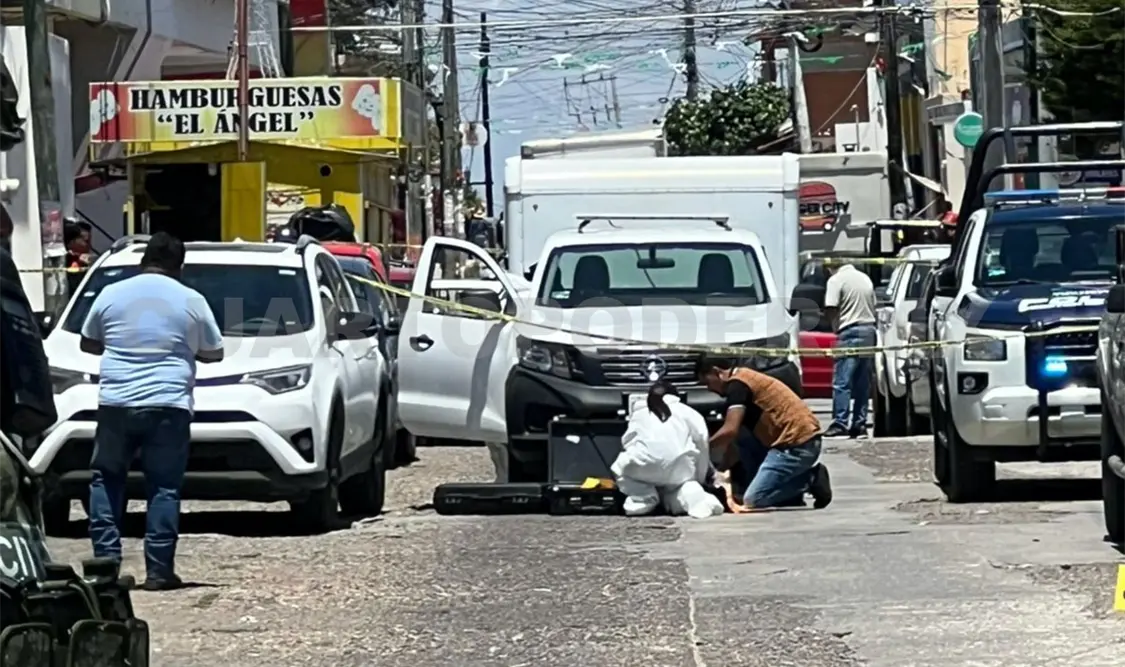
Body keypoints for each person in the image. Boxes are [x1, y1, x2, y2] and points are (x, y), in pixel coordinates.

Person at [79, 232, 223, 591]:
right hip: (168, 404)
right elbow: (214, 352)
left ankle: (105, 567)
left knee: (106, 480)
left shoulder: (111, 293)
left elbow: (88, 341)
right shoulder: (191, 299)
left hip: (116, 402)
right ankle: (159, 572)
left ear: (143, 260)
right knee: (164, 487)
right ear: (179, 266)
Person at [700, 358, 832, 512]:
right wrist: (721, 469)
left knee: (754, 499)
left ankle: (811, 479)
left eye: (707, 383)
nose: (710, 389)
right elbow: (734, 442)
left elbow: (730, 430)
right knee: (745, 441)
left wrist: (703, 446)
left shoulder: (738, 386)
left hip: (796, 445)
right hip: (803, 440)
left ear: (716, 372)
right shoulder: (745, 378)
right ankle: (786, 487)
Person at [611, 381, 723, 518]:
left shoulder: (640, 413)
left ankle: (644, 498)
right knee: (683, 486)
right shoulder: (688, 411)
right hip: (682, 467)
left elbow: (628, 442)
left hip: (645, 466)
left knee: (619, 467)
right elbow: (701, 442)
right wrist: (700, 478)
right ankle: (693, 495)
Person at [822, 261, 877, 439]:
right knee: (862, 382)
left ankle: (840, 423)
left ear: (831, 267)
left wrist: (834, 326)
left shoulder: (836, 280)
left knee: (842, 381)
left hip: (849, 331)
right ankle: (859, 425)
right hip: (869, 330)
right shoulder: (865, 278)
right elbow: (873, 305)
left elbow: (831, 307)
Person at [64, 221, 95, 295]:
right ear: (72, 241)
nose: (89, 245)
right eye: (86, 241)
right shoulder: (66, 260)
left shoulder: (87, 261)